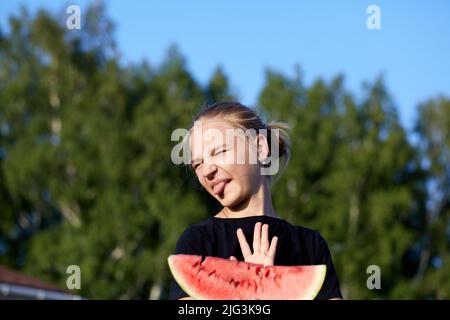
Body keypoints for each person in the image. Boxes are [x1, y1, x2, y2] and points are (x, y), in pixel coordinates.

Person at [169, 101, 343, 300]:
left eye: (219, 152)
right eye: (198, 164)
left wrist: (268, 291)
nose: (207, 171)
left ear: (260, 148)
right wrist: (250, 291)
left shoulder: (310, 245)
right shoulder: (198, 241)